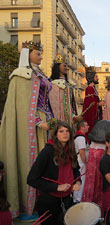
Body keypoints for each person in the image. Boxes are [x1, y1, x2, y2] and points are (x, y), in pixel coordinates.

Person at [0, 41, 53, 219]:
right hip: (29, 128)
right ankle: (26, 207)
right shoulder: (21, 76)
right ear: (27, 54)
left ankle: (43, 202)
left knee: (45, 162)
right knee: (30, 161)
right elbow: (23, 107)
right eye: (38, 54)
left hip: (44, 125)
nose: (41, 57)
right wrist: (38, 121)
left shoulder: (39, 74)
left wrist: (50, 119)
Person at [27, 121, 81, 225]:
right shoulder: (47, 152)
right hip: (49, 201)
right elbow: (32, 179)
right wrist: (56, 187)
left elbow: (76, 170)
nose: (65, 133)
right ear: (55, 134)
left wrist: (78, 182)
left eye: (67, 131)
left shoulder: (70, 150)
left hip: (66, 199)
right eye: (61, 131)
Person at [81, 120, 110, 208]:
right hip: (100, 171)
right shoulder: (101, 150)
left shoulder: (93, 147)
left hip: (92, 171)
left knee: (92, 184)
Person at [49, 55, 79, 125]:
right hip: (58, 120)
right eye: (64, 65)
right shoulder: (53, 85)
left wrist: (73, 116)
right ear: (58, 67)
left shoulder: (68, 85)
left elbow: (70, 105)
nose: (67, 68)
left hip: (69, 120)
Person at [73, 120, 89, 202]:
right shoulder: (81, 138)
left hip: (81, 162)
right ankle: (77, 199)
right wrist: (86, 162)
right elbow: (82, 151)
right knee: (81, 180)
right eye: (86, 125)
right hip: (81, 162)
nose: (88, 127)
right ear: (82, 127)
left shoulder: (80, 137)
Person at [82, 69, 101, 134]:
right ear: (92, 77)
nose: (97, 78)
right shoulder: (89, 88)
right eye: (96, 77)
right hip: (91, 115)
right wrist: (98, 104)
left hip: (95, 114)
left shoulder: (93, 88)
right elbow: (90, 103)